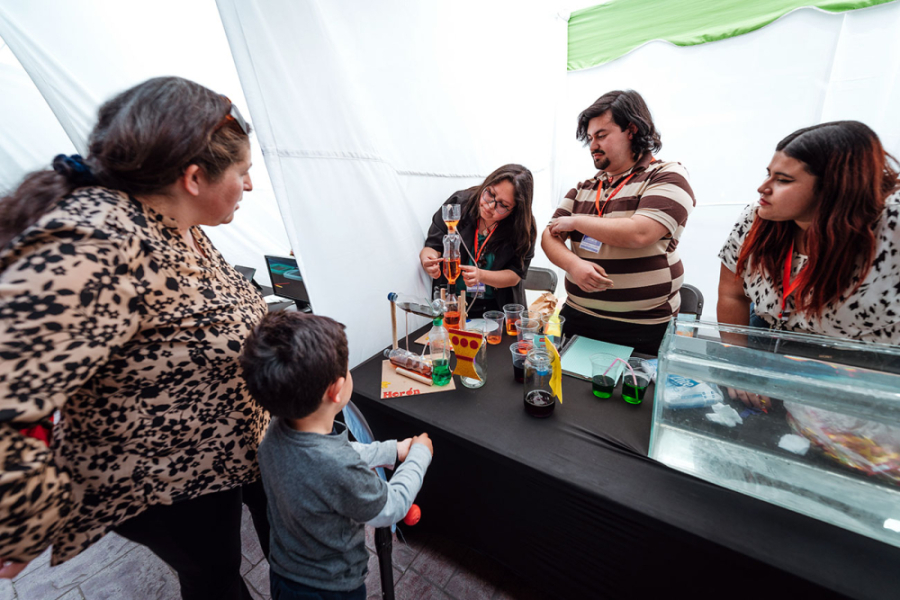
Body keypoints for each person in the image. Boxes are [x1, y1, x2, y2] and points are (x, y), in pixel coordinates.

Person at [0, 77, 269, 600]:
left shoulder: (177, 222)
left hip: (226, 455)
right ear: (193, 177)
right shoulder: (98, 244)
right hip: (170, 483)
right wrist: (23, 520)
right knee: (213, 579)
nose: (250, 186)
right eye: (244, 172)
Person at [239, 311, 433, 600]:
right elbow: (391, 506)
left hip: (284, 574)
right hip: (331, 588)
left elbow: (337, 452)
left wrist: (391, 449)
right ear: (337, 390)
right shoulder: (338, 468)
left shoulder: (275, 435)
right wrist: (419, 455)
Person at [718, 120, 900, 408]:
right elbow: (732, 293)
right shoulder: (757, 219)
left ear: (835, 187)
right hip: (770, 349)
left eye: (783, 180)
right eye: (769, 174)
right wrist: (739, 366)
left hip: (862, 374)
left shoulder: (892, 227)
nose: (763, 188)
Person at [542, 90, 695, 355]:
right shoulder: (585, 187)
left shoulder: (666, 175)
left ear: (632, 130)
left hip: (643, 329)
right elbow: (549, 235)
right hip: (579, 318)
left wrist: (576, 221)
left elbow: (640, 232)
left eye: (601, 135)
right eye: (590, 138)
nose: (592, 146)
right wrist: (573, 264)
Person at [420, 164, 537, 317]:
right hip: (453, 304)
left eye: (502, 205)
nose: (489, 206)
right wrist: (428, 259)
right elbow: (432, 245)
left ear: (516, 209)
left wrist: (481, 276)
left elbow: (515, 275)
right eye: (490, 193)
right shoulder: (459, 204)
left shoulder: (523, 227)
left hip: (497, 311)